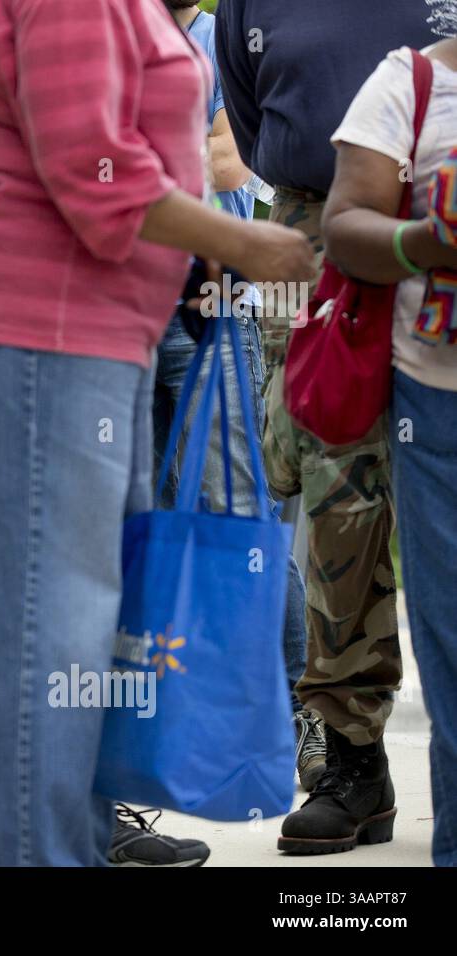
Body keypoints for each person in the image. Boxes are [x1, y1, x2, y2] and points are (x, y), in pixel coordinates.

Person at [0, 0, 315, 866]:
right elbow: (94, 169)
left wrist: (196, 249)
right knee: (49, 628)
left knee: (94, 622)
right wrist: (247, 242)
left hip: (99, 331)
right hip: (39, 327)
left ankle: (79, 845)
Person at [216, 0, 453, 853]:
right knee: (336, 498)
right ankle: (354, 759)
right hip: (314, 237)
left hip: (446, 232)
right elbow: (250, 130)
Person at [290, 38, 457, 864]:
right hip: (430, 396)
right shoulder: (411, 79)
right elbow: (344, 222)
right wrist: (432, 240)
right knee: (441, 630)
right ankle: (367, 773)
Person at [159, 1, 318, 790]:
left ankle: (297, 711)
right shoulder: (101, 28)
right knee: (136, 523)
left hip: (210, 312)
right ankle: (168, 712)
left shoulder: (217, 36)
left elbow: (228, 166)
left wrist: (118, 157)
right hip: (115, 315)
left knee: (235, 512)